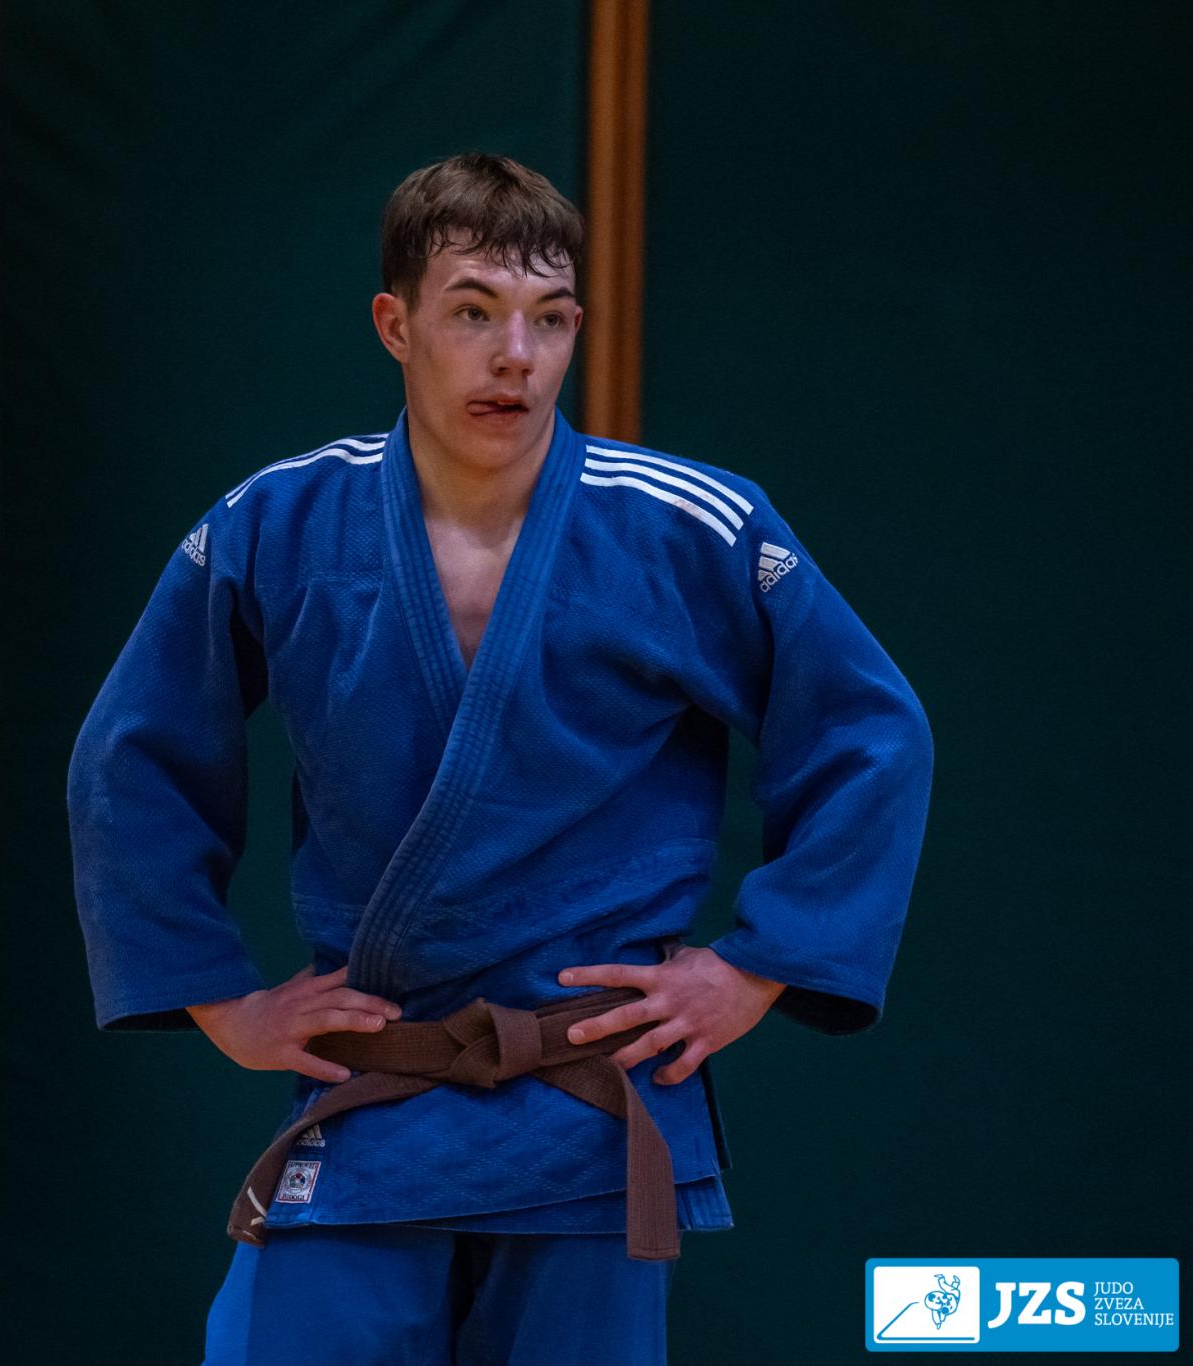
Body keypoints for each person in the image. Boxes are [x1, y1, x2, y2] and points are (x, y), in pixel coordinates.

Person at [65, 151, 935, 1365]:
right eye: (472, 311)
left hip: (586, 1100)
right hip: (377, 1082)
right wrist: (220, 1000)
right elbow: (132, 755)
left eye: (549, 317)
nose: (514, 355)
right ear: (395, 325)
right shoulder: (277, 520)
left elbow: (869, 731)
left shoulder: (684, 524)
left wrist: (759, 965)